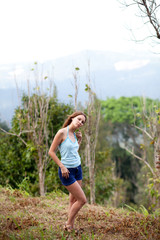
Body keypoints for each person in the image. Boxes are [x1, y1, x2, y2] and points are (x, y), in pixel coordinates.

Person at [48, 111, 87, 232]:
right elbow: (51, 152)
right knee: (82, 200)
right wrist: (62, 166)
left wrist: (79, 141)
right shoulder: (62, 132)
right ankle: (68, 225)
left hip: (77, 169)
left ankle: (70, 226)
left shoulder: (75, 134)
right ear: (73, 117)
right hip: (67, 171)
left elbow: (73, 151)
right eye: (79, 119)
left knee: (73, 199)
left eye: (82, 122)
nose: (80, 122)